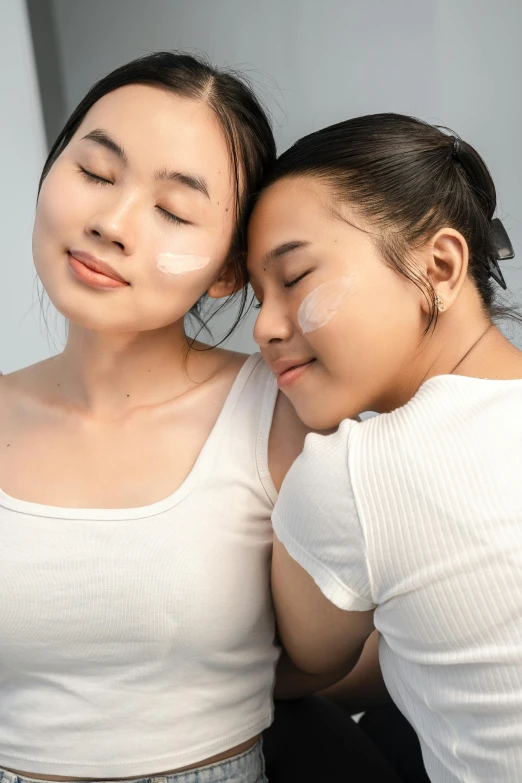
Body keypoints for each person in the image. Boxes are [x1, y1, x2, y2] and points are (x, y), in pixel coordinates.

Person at [0, 51, 311, 783]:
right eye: (95, 173)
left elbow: (357, 656)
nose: (111, 223)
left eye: (174, 211)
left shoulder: (280, 415)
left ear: (229, 269)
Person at [247, 113, 522, 781]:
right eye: (257, 296)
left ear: (439, 264)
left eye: (295, 277)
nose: (262, 327)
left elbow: (292, 670)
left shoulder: (356, 468)